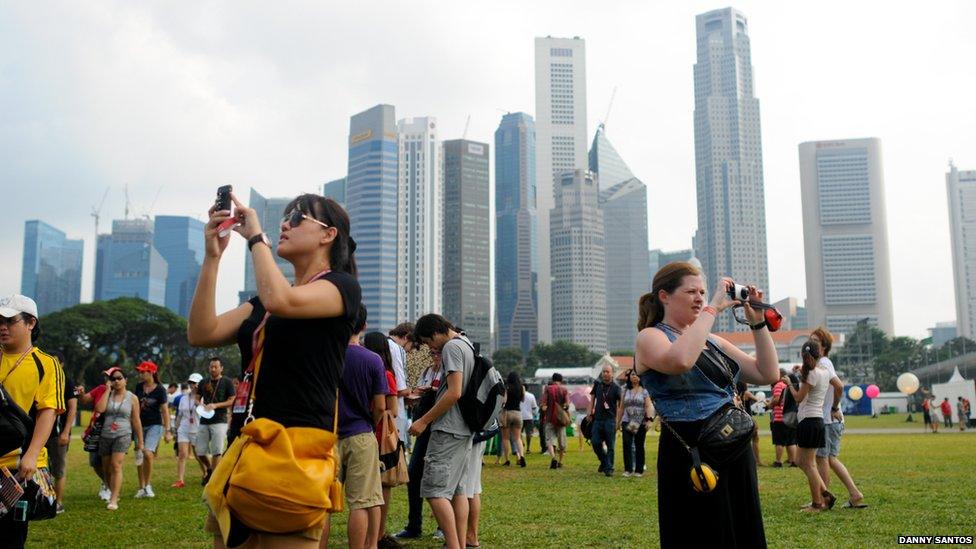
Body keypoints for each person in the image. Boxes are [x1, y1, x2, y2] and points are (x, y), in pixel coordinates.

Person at [188, 192, 360, 547]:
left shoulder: (341, 289)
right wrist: (212, 258)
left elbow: (284, 301)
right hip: (247, 448)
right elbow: (201, 332)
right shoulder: (262, 304)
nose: (284, 224)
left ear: (328, 235)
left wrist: (255, 238)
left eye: (297, 218)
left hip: (297, 455)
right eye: (284, 217)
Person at [634, 263, 779, 547]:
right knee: (700, 531)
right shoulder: (650, 337)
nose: (700, 298)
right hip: (690, 450)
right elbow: (681, 361)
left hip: (732, 444)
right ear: (664, 296)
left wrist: (758, 323)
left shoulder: (712, 342)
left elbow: (767, 373)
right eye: (691, 291)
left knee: (741, 525)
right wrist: (713, 306)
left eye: (702, 291)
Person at [0, 294, 66, 546]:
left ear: (30, 323)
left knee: (11, 536)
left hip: (18, 469)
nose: (2, 327)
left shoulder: (46, 364)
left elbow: (48, 412)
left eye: (9, 320)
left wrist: (32, 455)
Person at [408, 314, 476, 549]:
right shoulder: (466, 344)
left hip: (448, 428)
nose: (430, 347)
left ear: (436, 333)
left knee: (434, 491)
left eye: (428, 342)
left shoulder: (451, 348)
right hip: (463, 428)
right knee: (458, 490)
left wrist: (424, 421)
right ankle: (458, 544)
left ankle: (453, 545)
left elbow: (454, 392)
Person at [329, 307, 386, 549]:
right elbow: (381, 406)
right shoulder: (373, 360)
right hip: (361, 434)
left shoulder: (327, 356)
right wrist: (371, 423)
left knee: (323, 505)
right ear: (363, 326)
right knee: (361, 503)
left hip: (326, 438)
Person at [809, 327, 867, 509]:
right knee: (831, 459)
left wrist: (834, 407)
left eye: (815, 341)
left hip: (828, 419)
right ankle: (855, 494)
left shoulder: (824, 363)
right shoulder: (823, 363)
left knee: (822, 459)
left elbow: (839, 386)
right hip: (831, 420)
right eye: (810, 340)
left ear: (824, 346)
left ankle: (823, 499)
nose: (810, 344)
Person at [394, 341, 442, 541]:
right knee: (414, 475)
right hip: (422, 427)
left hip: (439, 428)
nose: (434, 356)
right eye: (432, 352)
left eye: (437, 352)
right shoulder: (428, 371)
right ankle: (414, 524)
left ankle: (443, 525)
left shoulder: (449, 371)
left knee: (439, 480)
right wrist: (418, 394)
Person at [788, 340, 843, 512]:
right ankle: (825, 493)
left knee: (809, 464)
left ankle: (817, 503)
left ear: (803, 355)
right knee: (800, 461)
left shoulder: (810, 373)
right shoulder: (824, 371)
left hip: (808, 420)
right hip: (817, 420)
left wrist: (789, 384)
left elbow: (798, 397)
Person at [363, 331, 401, 548]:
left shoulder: (362, 368)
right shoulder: (386, 374)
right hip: (378, 435)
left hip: (359, 431)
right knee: (381, 487)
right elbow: (392, 410)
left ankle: (373, 533)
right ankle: (378, 534)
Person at [95, 367, 144, 511]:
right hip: (106, 434)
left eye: (119, 378)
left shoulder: (132, 398)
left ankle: (114, 499)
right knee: (106, 468)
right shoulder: (108, 394)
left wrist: (140, 440)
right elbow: (99, 409)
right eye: (113, 379)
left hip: (123, 434)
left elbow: (136, 420)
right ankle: (112, 491)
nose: (116, 381)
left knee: (116, 465)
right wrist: (106, 390)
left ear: (126, 380)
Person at [43, 351, 76, 514]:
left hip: (58, 433)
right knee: (43, 468)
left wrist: (66, 432)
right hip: (42, 433)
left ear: (62, 364)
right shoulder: (44, 379)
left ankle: (58, 502)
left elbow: (72, 408)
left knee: (58, 469)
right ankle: (46, 499)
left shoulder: (66, 381)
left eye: (56, 362)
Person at [133, 360, 171, 498]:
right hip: (138, 425)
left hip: (155, 425)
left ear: (152, 372)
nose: (141, 374)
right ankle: (141, 487)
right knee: (139, 455)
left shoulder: (160, 389)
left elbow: (165, 411)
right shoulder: (138, 387)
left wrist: (168, 431)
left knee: (148, 454)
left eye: (143, 371)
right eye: (140, 371)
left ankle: (148, 485)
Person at [195, 357, 234, 485]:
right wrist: (199, 405)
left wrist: (216, 405)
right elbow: (196, 397)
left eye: (216, 367)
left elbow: (231, 400)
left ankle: (213, 480)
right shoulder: (203, 382)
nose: (213, 369)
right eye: (211, 366)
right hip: (204, 420)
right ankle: (210, 469)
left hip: (220, 420)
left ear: (221, 368)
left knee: (217, 451)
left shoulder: (227, 382)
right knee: (200, 451)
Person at [76, 372, 112, 501]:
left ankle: (110, 487)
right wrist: (81, 394)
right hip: (96, 429)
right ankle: (106, 482)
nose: (107, 379)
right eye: (106, 377)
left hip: (112, 431)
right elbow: (85, 399)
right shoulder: (101, 389)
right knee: (95, 462)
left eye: (110, 376)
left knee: (109, 462)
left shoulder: (121, 393)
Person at [616, 369, 652, 477]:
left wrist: (649, 420)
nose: (634, 376)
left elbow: (648, 406)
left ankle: (639, 470)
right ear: (629, 377)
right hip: (627, 420)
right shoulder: (625, 390)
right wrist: (618, 421)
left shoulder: (645, 391)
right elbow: (621, 407)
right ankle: (628, 470)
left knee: (639, 445)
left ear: (640, 377)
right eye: (632, 374)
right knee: (627, 444)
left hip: (639, 421)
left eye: (636, 375)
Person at [588, 364, 621, 477]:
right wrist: (590, 411)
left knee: (610, 445)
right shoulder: (597, 385)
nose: (605, 373)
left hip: (610, 420)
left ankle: (609, 468)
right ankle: (604, 461)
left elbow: (620, 405)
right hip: (598, 419)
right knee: (595, 442)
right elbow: (592, 398)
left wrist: (617, 421)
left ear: (612, 373)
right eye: (603, 372)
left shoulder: (617, 387)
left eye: (607, 371)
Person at [172, 372, 204, 488]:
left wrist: (199, 403)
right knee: (182, 454)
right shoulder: (183, 399)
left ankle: (206, 474)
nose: (192, 385)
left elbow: (207, 413)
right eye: (191, 383)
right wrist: (176, 428)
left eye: (195, 383)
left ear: (200, 384)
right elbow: (179, 415)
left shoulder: (203, 398)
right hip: (184, 428)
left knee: (199, 455)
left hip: (197, 428)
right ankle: (180, 480)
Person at [768, 368, 797, 467]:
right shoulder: (789, 386)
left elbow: (776, 400)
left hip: (779, 418)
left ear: (780, 375)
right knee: (791, 441)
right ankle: (793, 461)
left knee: (779, 441)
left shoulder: (778, 385)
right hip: (790, 418)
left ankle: (778, 461)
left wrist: (769, 405)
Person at [541, 373, 569, 469]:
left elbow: (543, 405)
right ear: (561, 380)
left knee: (549, 439)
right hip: (560, 420)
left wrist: (546, 407)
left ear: (552, 380)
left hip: (549, 418)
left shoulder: (547, 389)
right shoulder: (564, 389)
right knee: (562, 442)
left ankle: (553, 458)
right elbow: (567, 405)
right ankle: (560, 462)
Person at [501, 371, 526, 467]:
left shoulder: (507, 387)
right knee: (517, 438)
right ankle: (522, 456)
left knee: (505, 438)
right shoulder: (522, 387)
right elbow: (523, 400)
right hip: (518, 413)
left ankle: (507, 460)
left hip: (507, 412)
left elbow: (504, 400)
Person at [519, 388, 538, 454]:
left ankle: (521, 442)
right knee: (528, 433)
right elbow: (534, 407)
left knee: (518, 432)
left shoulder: (518, 395)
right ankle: (528, 448)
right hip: (529, 417)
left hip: (520, 416)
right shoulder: (531, 395)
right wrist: (534, 414)